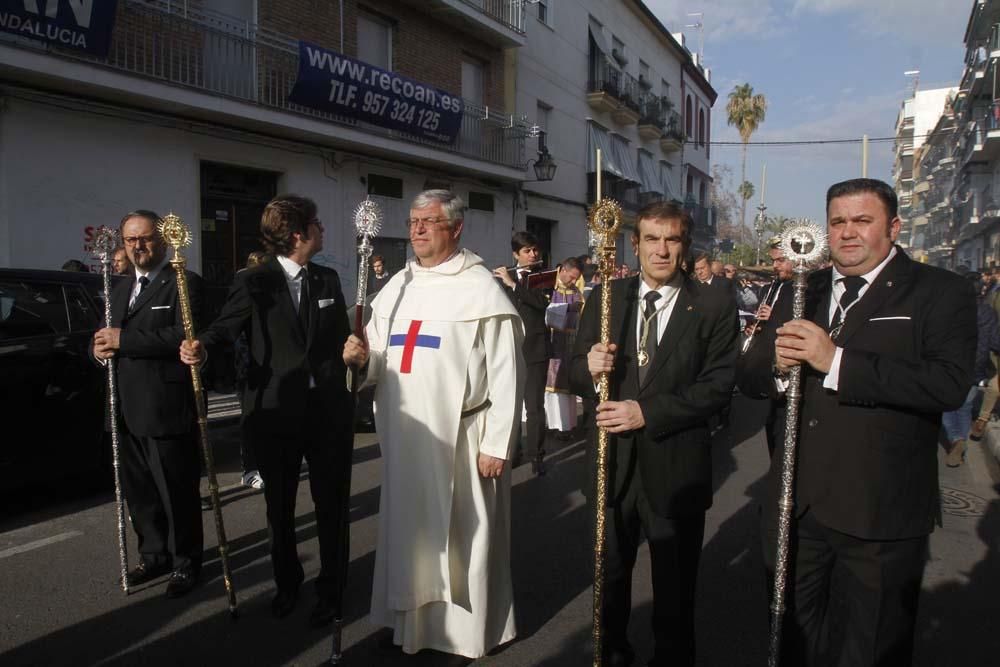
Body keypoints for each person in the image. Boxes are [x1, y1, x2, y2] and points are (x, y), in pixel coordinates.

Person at [742, 178, 975, 666]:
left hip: (879, 514)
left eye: (862, 221)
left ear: (892, 227)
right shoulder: (802, 287)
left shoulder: (941, 291)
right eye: (838, 222)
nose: (848, 233)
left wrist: (836, 362)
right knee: (792, 641)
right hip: (796, 507)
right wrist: (779, 367)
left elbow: (947, 383)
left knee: (869, 649)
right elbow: (748, 372)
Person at [343, 189, 522, 658]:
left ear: (456, 228)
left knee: (466, 538)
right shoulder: (397, 287)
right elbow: (378, 359)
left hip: (465, 438)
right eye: (413, 221)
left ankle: (465, 633)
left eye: (429, 221)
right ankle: (409, 623)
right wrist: (361, 360)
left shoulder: (481, 288)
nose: (418, 229)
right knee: (408, 535)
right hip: (407, 438)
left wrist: (497, 444)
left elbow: (507, 372)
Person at [570, 201, 738, 666]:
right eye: (651, 239)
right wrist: (587, 366)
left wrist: (647, 412)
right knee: (610, 580)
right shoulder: (608, 298)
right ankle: (613, 651)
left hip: (676, 465)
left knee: (675, 589)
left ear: (685, 246)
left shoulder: (712, 304)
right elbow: (573, 373)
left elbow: (719, 387)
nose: (661, 250)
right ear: (635, 243)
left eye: (672, 240)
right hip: (612, 465)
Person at [180, 195, 354, 627]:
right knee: (280, 508)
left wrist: (355, 354)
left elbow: (343, 338)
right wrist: (199, 346)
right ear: (298, 233)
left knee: (332, 505)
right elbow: (226, 325)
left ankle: (331, 589)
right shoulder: (255, 281)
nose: (322, 230)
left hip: (326, 411)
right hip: (275, 410)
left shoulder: (328, 279)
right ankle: (288, 583)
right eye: (316, 223)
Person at [91, 210, 204, 598]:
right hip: (124, 407)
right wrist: (99, 349)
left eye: (145, 238)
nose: (137, 246)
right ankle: (153, 554)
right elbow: (107, 337)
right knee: (139, 492)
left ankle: (186, 561)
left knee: (176, 491)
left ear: (161, 238)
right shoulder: (119, 287)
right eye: (130, 240)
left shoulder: (183, 283)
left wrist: (125, 341)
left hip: (165, 405)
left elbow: (185, 334)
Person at [494, 230, 551, 474]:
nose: (532, 254)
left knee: (535, 406)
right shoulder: (502, 275)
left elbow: (541, 303)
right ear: (516, 253)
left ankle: (537, 456)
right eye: (527, 250)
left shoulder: (544, 275)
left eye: (535, 249)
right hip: (508, 347)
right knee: (510, 404)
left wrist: (513, 284)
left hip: (536, 348)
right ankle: (513, 452)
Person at [942, 271, 1000, 466]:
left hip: (952, 364)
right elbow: (995, 342)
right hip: (977, 366)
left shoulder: (950, 310)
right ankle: (962, 441)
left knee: (948, 405)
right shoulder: (987, 312)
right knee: (965, 406)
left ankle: (956, 439)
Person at [233, 250, 269, 490]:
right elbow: (238, 336)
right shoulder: (242, 293)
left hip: (268, 368)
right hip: (248, 370)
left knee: (267, 419)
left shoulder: (268, 294)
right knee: (250, 419)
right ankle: (249, 469)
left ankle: (266, 463)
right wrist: (249, 367)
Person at [545, 257, 585, 436]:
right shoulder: (549, 287)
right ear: (562, 271)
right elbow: (547, 312)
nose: (574, 281)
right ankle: (554, 425)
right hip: (553, 340)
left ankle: (567, 425)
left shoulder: (576, 290)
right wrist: (569, 308)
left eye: (576, 278)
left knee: (567, 385)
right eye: (572, 277)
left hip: (571, 341)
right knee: (553, 383)